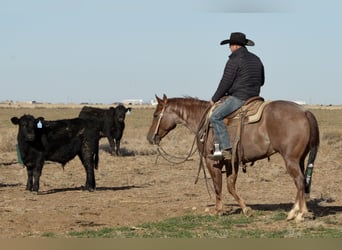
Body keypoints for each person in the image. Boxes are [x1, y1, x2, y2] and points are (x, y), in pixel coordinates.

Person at [208, 32, 265, 161]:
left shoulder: (234, 60)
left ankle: (226, 149)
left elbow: (225, 82)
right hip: (255, 97)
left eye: (230, 45)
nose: (229, 48)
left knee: (215, 116)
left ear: (234, 45)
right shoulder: (256, 58)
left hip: (240, 97)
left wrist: (214, 99)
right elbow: (262, 80)